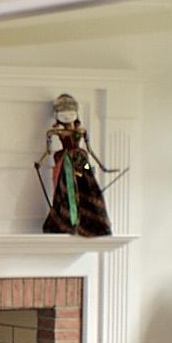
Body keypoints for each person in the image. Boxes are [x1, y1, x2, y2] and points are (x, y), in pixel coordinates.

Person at [36, 93, 120, 236]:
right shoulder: (54, 132)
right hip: (65, 163)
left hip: (83, 162)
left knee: (89, 184)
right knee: (66, 190)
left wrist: (103, 167)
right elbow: (48, 151)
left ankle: (93, 221)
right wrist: (40, 162)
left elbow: (90, 150)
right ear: (57, 115)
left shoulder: (81, 131)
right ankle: (66, 221)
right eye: (63, 113)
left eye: (70, 112)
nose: (67, 116)